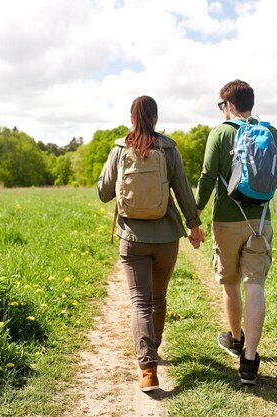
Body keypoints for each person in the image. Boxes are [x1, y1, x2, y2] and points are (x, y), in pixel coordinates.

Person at [98, 95, 204, 392]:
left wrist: (106, 178)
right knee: (158, 299)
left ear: (131, 118)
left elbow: (104, 193)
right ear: (155, 118)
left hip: (131, 239)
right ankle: (154, 348)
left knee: (139, 303)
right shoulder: (169, 149)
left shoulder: (119, 150)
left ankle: (148, 371)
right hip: (167, 237)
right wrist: (194, 226)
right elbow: (183, 191)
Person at [194, 79, 277, 385]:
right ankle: (250, 361)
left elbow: (207, 177)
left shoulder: (220, 133)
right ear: (251, 103)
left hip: (227, 221)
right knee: (255, 285)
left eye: (222, 105)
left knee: (230, 282)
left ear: (228, 105)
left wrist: (196, 213)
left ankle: (235, 339)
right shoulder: (273, 134)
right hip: (260, 222)